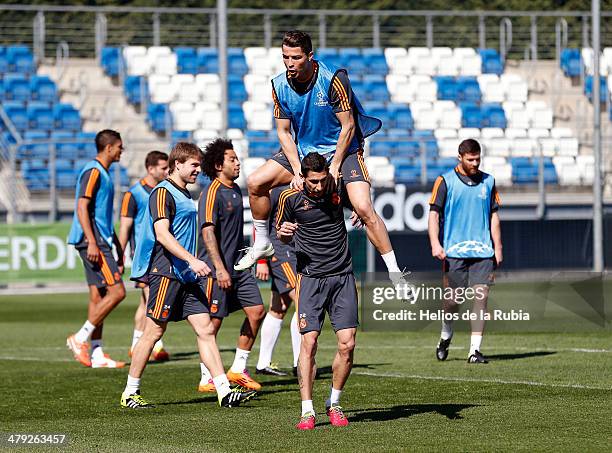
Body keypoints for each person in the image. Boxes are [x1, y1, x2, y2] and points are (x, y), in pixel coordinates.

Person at [237, 30, 406, 289]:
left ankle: (396, 274)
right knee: (255, 182)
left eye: (296, 57)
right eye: (285, 57)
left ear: (310, 56)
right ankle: (262, 243)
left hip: (342, 151)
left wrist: (336, 165)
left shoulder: (332, 79)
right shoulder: (278, 85)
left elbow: (348, 126)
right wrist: (296, 170)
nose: (290, 63)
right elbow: (283, 131)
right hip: (305, 154)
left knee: (363, 208)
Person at [121, 142, 256, 409]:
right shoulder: (162, 193)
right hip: (166, 273)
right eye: (194, 165)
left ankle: (223, 390)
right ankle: (130, 391)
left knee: (205, 329)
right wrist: (192, 259)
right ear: (178, 164)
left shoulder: (184, 193)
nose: (198, 170)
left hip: (185, 275)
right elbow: (162, 234)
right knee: (153, 332)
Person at [276, 152, 358, 430]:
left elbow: (359, 201)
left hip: (342, 275)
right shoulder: (290, 198)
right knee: (308, 343)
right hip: (310, 279)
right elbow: (281, 233)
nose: (319, 186)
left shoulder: (337, 186)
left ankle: (334, 403)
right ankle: (307, 411)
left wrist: (359, 209)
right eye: (313, 182)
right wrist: (285, 232)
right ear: (303, 177)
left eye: (322, 180)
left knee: (347, 344)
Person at [196, 138, 265, 393]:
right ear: (217, 165)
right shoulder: (211, 192)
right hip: (217, 270)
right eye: (232, 159)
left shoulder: (236, 189)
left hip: (239, 267)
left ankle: (238, 368)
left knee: (257, 311)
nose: (238, 163)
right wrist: (219, 268)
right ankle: (207, 377)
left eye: (237, 159)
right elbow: (207, 233)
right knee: (212, 324)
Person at [428, 139, 503, 364]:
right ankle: (445, 336)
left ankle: (474, 351)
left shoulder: (489, 181)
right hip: (454, 252)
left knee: (481, 297)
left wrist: (497, 247)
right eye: (470, 159)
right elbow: (433, 215)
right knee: (453, 300)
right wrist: (435, 243)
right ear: (459, 158)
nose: (475, 163)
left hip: (483, 252)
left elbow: (494, 216)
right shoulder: (445, 181)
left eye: (478, 159)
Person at [66, 129, 126, 369]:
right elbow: (82, 208)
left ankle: (97, 352)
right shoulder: (93, 171)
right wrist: (92, 241)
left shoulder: (104, 173)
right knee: (117, 292)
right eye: (120, 146)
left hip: (100, 239)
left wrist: (118, 247)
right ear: (109, 148)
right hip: (93, 240)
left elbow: (100, 215)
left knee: (98, 296)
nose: (123, 150)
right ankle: (79, 338)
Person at [118, 150, 171, 361]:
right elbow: (124, 227)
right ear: (150, 169)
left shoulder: (164, 191)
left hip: (161, 252)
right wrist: (120, 257)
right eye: (163, 168)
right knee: (153, 299)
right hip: (144, 254)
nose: (167, 171)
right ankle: (156, 345)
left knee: (145, 302)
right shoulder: (133, 194)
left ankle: (136, 344)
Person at [254, 184, 301, 377]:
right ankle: (301, 362)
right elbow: (260, 222)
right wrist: (262, 260)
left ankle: (263, 363)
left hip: (293, 251)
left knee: (278, 307)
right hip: (281, 253)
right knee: (303, 301)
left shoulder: (300, 183)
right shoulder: (275, 190)